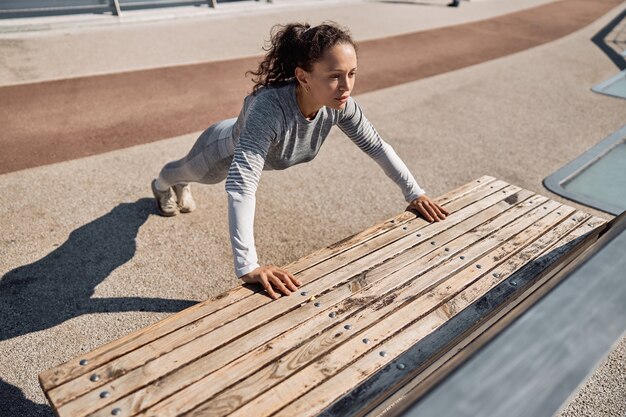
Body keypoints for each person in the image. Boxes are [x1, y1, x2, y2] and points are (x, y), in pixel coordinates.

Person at [151, 22, 449, 300]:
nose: (346, 86)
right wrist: (248, 265)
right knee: (183, 171)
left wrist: (415, 193)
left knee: (189, 176)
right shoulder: (269, 109)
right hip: (222, 149)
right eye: (334, 76)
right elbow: (242, 185)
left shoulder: (340, 105)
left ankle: (178, 186)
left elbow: (377, 147)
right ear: (303, 77)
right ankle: (162, 186)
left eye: (352, 73)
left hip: (248, 133)